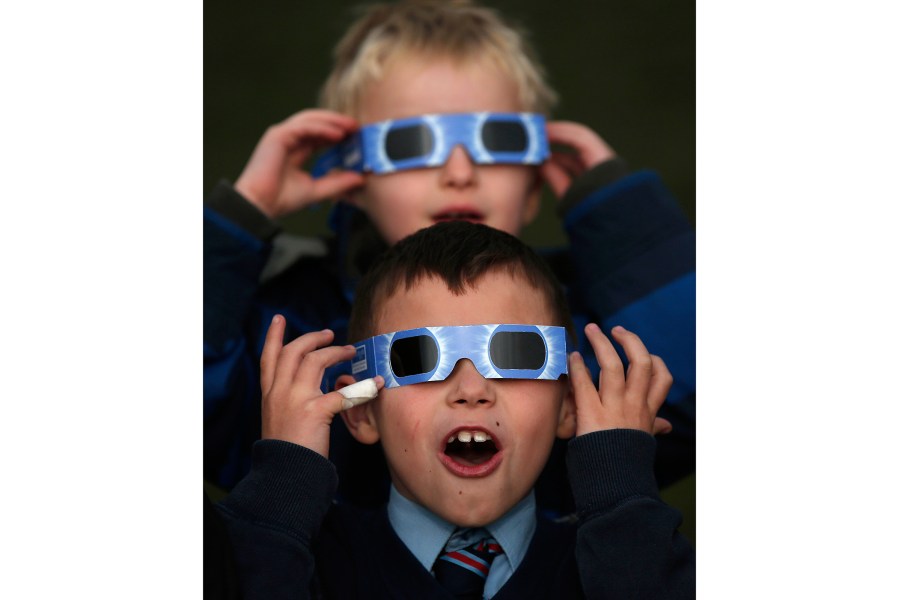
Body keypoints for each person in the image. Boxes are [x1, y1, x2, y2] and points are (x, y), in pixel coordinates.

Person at [204, 0, 695, 509]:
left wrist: (622, 220)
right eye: (412, 143)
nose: (459, 170)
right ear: (350, 178)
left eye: (498, 139)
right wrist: (240, 216)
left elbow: (692, 400)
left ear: (534, 184)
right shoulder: (290, 331)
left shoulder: (586, 328)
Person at [215, 221, 695, 599]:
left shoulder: (638, 557)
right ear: (359, 410)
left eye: (516, 354)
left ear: (572, 407)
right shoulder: (291, 554)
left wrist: (620, 493)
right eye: (418, 358)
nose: (471, 389)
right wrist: (281, 480)